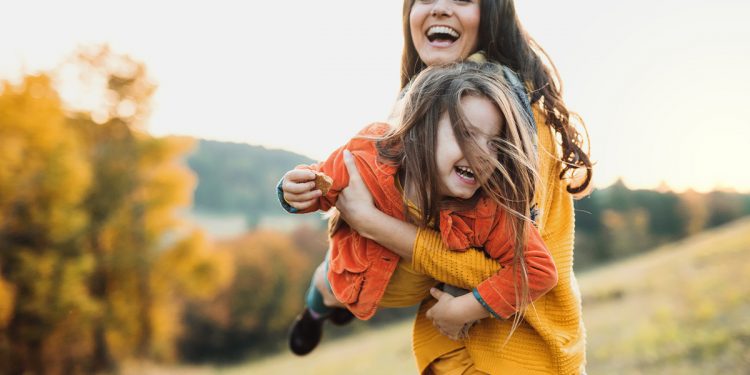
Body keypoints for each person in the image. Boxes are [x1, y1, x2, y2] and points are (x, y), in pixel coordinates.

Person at [284, 0, 593, 373]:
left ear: (493, 12)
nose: (441, 8)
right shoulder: (422, 113)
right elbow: (336, 177)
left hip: (510, 353)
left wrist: (369, 221)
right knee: (332, 275)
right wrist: (298, 192)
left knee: (334, 274)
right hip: (455, 351)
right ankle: (318, 309)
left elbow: (510, 268)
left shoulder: (513, 117)